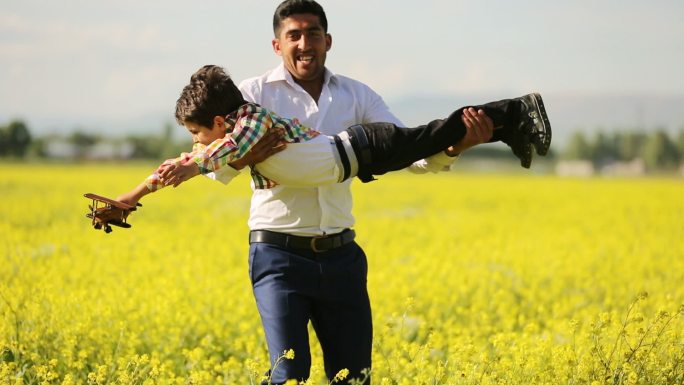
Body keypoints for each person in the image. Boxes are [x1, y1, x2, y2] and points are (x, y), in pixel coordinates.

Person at [116, 64, 550, 208]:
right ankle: (510, 129)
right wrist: (131, 198)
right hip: (358, 158)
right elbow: (200, 160)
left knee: (435, 134)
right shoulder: (230, 134)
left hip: (365, 146)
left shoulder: (250, 122)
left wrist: (194, 161)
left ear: (221, 119)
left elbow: (228, 150)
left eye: (197, 133)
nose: (196, 143)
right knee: (433, 136)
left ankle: (515, 111)